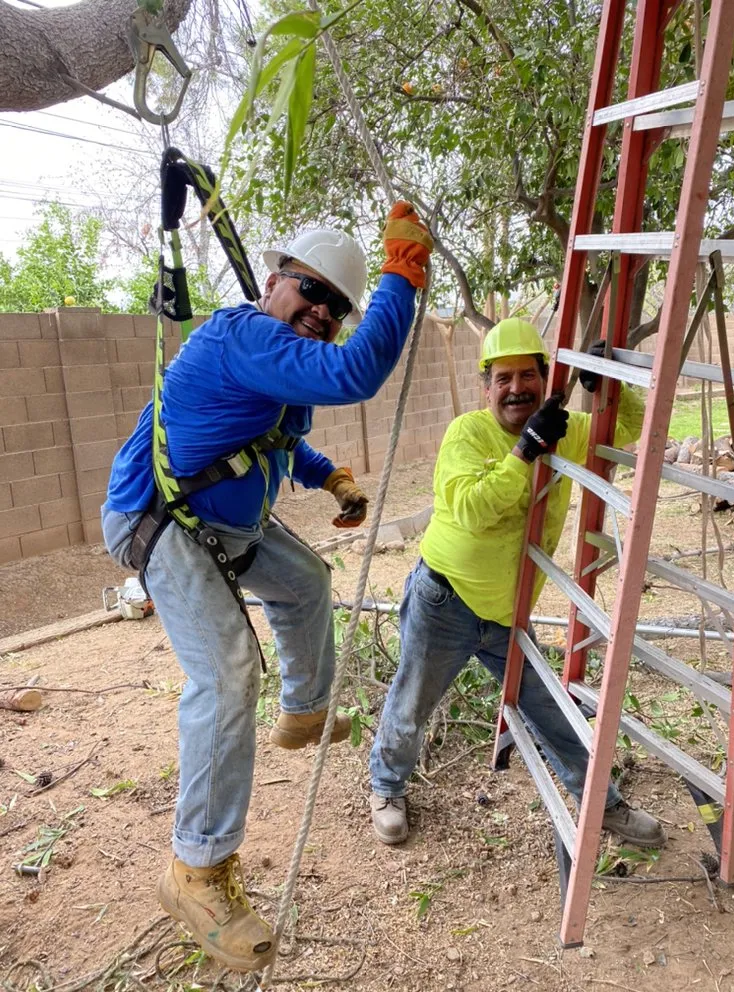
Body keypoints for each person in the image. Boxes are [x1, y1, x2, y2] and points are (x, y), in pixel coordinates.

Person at [101, 202, 433, 973]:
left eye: (336, 306)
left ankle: (305, 712)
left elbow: (281, 438)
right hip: (162, 520)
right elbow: (359, 371)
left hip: (225, 526)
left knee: (308, 580)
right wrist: (399, 277)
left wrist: (332, 479)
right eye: (310, 292)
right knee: (225, 676)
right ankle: (197, 869)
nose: (320, 311)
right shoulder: (241, 335)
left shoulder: (277, 358)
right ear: (274, 281)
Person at [369, 318, 667, 851]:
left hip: (508, 613)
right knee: (412, 700)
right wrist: (525, 450)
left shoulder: (564, 430)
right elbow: (473, 509)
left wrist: (608, 382)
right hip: (447, 600)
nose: (515, 389)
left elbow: (624, 429)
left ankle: (604, 805)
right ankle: (387, 789)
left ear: (544, 379)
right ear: (487, 386)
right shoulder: (467, 433)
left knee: (551, 711)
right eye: (502, 378)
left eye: (526, 376)